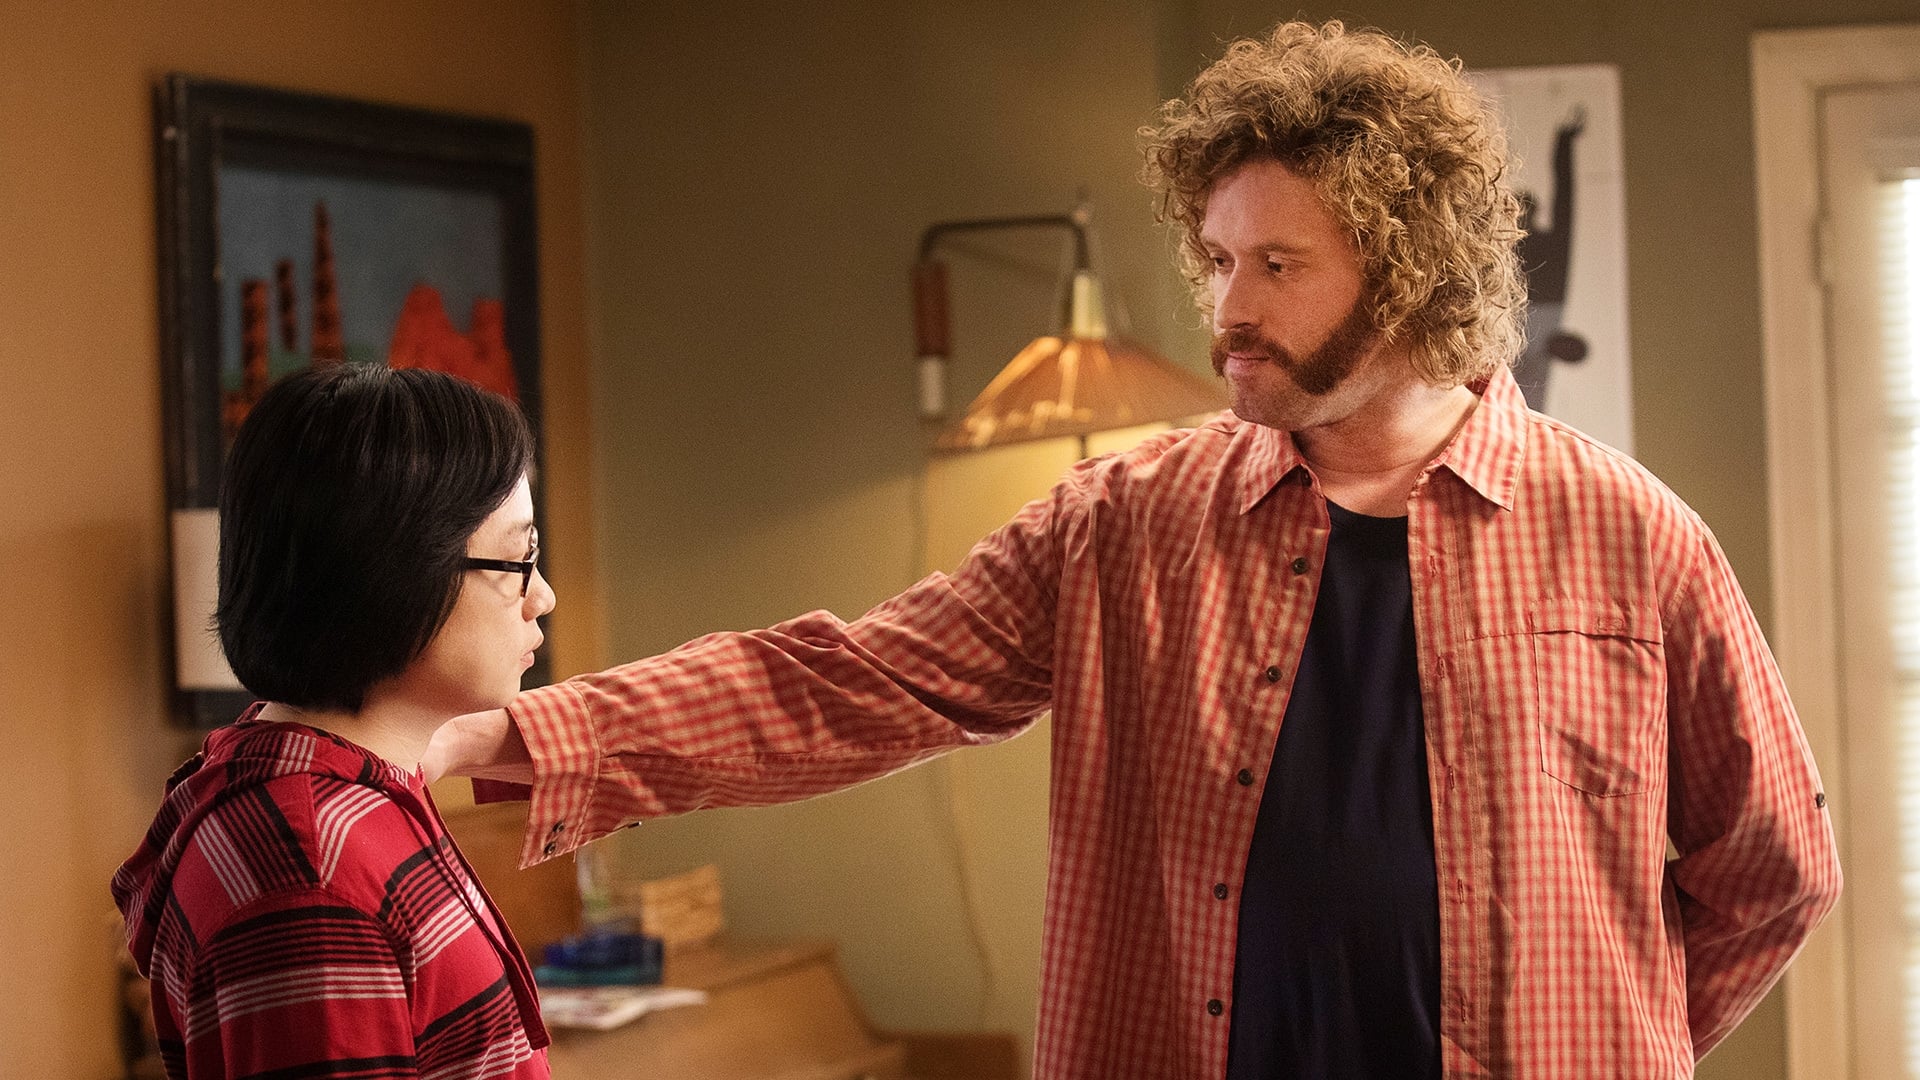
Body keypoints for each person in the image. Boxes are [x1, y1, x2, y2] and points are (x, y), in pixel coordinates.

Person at [431, 20, 1840, 1079]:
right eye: (1218, 261)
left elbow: (1774, 869)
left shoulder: (1629, 535)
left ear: (1412, 275)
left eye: (1277, 266)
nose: (1228, 310)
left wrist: (1618, 1040)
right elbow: (848, 685)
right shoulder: (1124, 522)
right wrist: (506, 735)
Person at [114, 365, 557, 1079]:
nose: (544, 596)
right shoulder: (312, 876)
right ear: (394, 572)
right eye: (517, 559)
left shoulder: (355, 795)